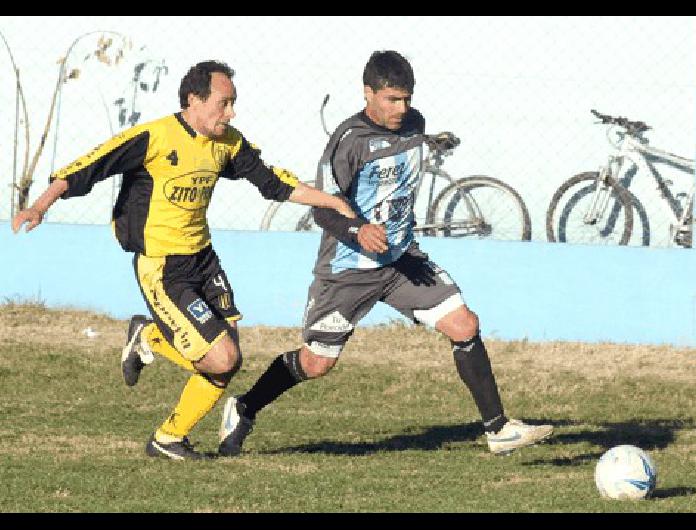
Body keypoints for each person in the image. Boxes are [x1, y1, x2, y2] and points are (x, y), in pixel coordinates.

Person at [12, 60, 355, 460]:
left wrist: (332, 202)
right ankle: (151, 336)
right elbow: (88, 166)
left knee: (228, 362)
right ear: (194, 99)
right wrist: (39, 206)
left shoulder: (226, 142)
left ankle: (169, 438)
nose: (231, 113)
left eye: (234, 104)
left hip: (204, 260)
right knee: (220, 357)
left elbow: (273, 181)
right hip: (162, 268)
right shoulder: (154, 138)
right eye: (224, 104)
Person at [217, 51, 553, 457]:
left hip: (399, 262)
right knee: (316, 363)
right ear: (368, 93)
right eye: (392, 99)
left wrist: (433, 142)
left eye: (407, 99)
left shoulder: (415, 124)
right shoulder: (348, 142)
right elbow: (322, 206)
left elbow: (406, 155)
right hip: (347, 271)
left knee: (464, 324)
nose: (402, 108)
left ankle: (498, 430)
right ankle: (245, 406)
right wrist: (359, 229)